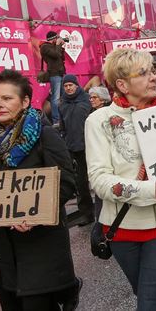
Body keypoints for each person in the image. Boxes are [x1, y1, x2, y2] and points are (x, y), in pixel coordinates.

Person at [85, 48, 156, 310]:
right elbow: (99, 179)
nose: (153, 77)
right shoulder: (98, 121)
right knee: (151, 298)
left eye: (152, 71)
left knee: (149, 303)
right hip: (121, 227)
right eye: (143, 73)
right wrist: (149, 189)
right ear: (122, 84)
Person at [0, 69, 80, 310]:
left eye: (7, 98)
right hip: (4, 253)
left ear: (24, 102)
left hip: (40, 249)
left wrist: (35, 214)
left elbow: (65, 182)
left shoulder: (45, 135)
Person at [59, 74, 95, 225]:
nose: (68, 88)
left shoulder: (87, 100)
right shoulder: (62, 104)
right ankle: (87, 213)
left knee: (96, 179)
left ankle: (104, 211)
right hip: (73, 149)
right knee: (80, 184)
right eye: (65, 86)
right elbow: (62, 126)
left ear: (76, 85)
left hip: (90, 146)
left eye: (70, 85)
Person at [40, 31, 67, 127]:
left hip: (60, 73)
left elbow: (61, 57)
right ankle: (56, 120)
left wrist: (61, 47)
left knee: (63, 97)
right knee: (56, 98)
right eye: (57, 38)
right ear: (53, 39)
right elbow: (55, 54)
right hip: (54, 74)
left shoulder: (54, 46)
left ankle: (63, 118)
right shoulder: (45, 47)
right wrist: (58, 45)